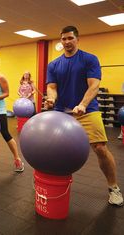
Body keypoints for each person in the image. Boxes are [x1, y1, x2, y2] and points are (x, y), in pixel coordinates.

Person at [45, 26, 123, 206]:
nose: (66, 42)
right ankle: (50, 181)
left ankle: (114, 188)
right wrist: (51, 99)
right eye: (63, 39)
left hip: (87, 110)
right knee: (51, 148)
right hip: (61, 112)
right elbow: (52, 87)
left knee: (100, 148)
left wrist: (82, 104)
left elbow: (94, 85)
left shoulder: (89, 59)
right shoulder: (54, 64)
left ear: (77, 40)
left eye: (70, 38)